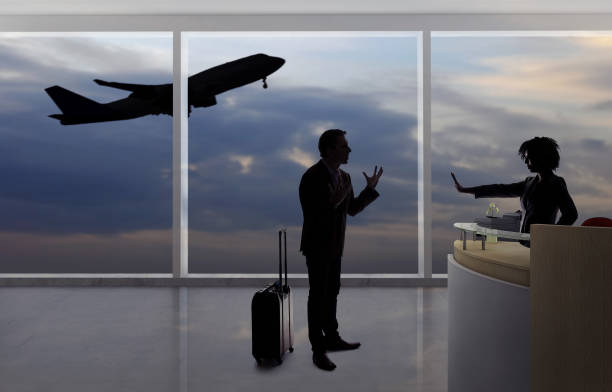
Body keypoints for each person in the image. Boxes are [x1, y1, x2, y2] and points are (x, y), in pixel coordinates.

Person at [299, 129, 383, 371]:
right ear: (329, 149)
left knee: (332, 292)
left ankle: (332, 338)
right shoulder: (312, 177)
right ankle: (318, 349)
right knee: (317, 296)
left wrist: (370, 190)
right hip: (317, 248)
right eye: (344, 146)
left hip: (336, 247)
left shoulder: (345, 178)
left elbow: (353, 209)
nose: (349, 150)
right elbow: (313, 214)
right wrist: (332, 202)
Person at [451, 136, 578, 245]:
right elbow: (500, 189)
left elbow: (571, 214)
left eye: (529, 158)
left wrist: (551, 236)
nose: (526, 162)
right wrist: (465, 190)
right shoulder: (529, 182)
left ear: (541, 157)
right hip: (524, 243)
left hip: (542, 245)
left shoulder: (556, 183)